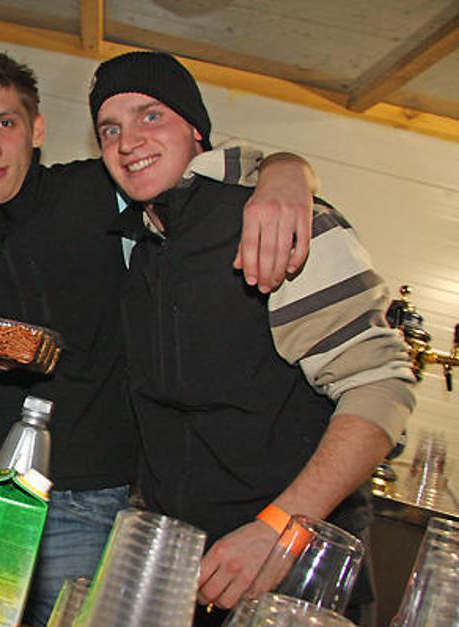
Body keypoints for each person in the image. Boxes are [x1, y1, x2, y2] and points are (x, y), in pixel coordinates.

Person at [0, 43, 319, 625]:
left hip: (88, 498)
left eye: (5, 124)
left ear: (37, 130)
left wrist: (287, 169)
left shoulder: (99, 188)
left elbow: (198, 165)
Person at [89, 50, 415, 625]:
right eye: (109, 129)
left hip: (291, 575)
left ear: (196, 130)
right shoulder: (143, 248)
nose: (128, 141)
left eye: (151, 116)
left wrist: (278, 531)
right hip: (191, 574)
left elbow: (381, 387)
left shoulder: (274, 221)